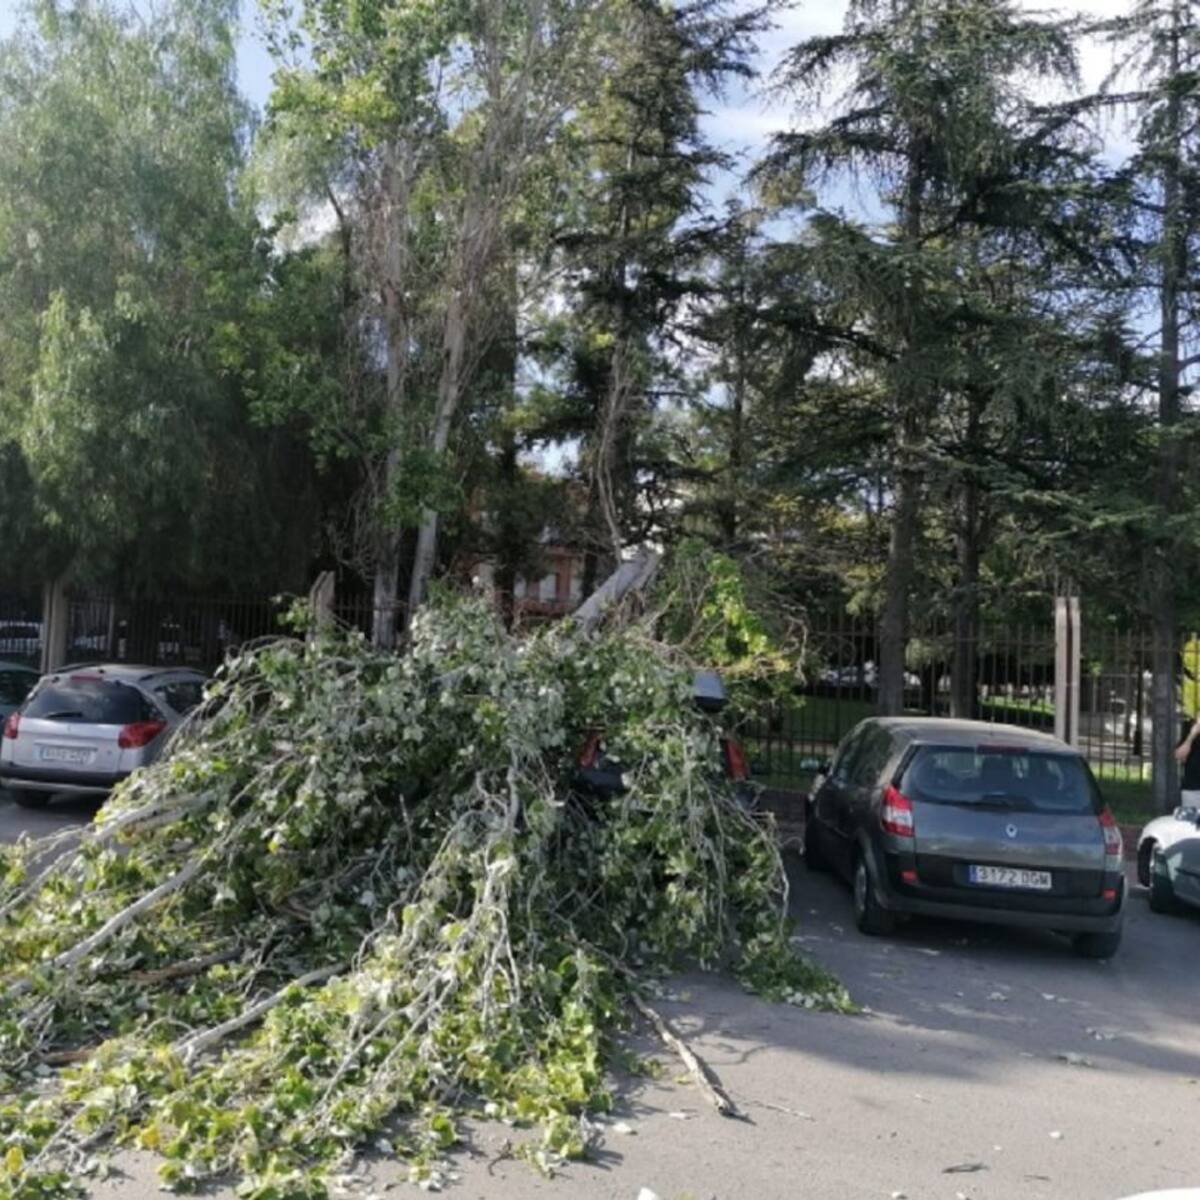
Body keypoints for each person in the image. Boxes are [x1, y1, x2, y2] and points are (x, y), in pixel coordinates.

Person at [1173, 716, 1200, 806]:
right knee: (1191, 819)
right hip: (1193, 790)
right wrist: (1192, 736)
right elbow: (1179, 756)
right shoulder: (1190, 730)